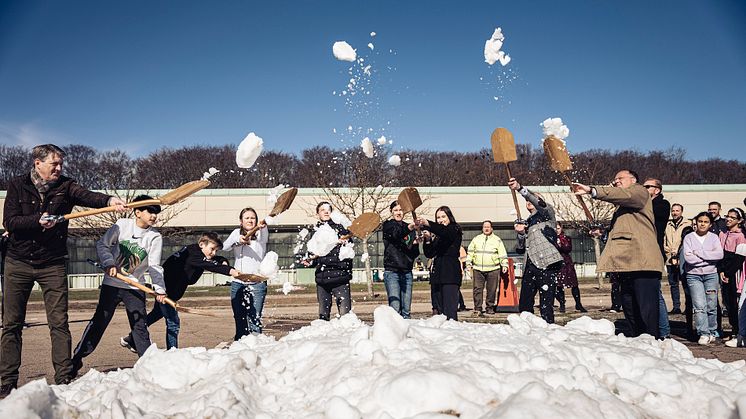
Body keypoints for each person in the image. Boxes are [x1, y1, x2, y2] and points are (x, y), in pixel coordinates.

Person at [0, 144, 126, 398]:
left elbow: (88, 196)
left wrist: (109, 200)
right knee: (11, 324)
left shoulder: (66, 186)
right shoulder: (17, 184)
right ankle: (7, 381)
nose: (59, 168)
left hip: (53, 263)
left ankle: (64, 376)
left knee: (59, 323)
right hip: (19, 262)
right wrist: (37, 220)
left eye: (60, 164)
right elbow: (10, 221)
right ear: (38, 163)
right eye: (54, 164)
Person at [71, 196, 166, 375]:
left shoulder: (155, 236)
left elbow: (154, 266)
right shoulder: (122, 225)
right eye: (150, 211)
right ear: (137, 212)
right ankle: (75, 361)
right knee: (99, 322)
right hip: (112, 284)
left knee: (140, 326)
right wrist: (109, 263)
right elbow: (102, 245)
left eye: (156, 212)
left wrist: (159, 290)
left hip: (135, 287)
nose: (154, 216)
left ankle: (147, 367)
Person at [574, 170, 664, 338]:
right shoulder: (621, 208)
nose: (616, 182)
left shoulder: (639, 192)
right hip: (626, 264)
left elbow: (624, 195)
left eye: (620, 178)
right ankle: (638, 340)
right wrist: (603, 233)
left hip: (643, 263)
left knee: (647, 310)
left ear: (633, 180)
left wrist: (591, 190)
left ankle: (653, 341)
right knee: (630, 308)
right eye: (614, 179)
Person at [120, 232, 242, 351]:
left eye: (216, 250)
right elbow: (209, 265)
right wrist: (230, 270)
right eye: (212, 249)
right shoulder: (194, 255)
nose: (214, 253)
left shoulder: (194, 251)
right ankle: (172, 352)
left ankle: (130, 338)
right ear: (201, 244)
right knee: (173, 323)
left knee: (156, 314)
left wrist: (222, 259)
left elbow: (210, 260)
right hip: (167, 291)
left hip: (169, 288)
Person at [509, 178, 563, 324]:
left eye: (532, 198)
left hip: (547, 263)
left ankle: (549, 328)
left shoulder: (548, 215)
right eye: (527, 200)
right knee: (525, 302)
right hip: (530, 264)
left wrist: (520, 189)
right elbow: (520, 248)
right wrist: (520, 233)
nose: (529, 201)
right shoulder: (526, 221)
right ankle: (526, 328)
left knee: (546, 304)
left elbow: (540, 204)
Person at [224, 208, 270, 338]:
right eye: (247, 218)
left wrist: (262, 226)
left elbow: (264, 230)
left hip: (257, 283)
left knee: (254, 318)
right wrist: (238, 240)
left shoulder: (261, 232)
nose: (250, 220)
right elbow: (224, 247)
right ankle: (240, 346)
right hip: (238, 283)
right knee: (239, 318)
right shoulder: (235, 233)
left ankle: (256, 347)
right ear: (241, 221)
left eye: (253, 218)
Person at [302, 202, 353, 320]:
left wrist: (345, 243)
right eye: (322, 210)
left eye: (328, 210)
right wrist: (310, 261)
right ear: (318, 214)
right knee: (323, 316)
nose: (326, 212)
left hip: (340, 277)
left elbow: (349, 251)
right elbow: (314, 253)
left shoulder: (341, 228)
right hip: (322, 279)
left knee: (346, 317)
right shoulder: (316, 232)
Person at [682, 212, 723, 345]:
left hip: (711, 275)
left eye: (706, 222)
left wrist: (699, 253)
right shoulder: (689, 237)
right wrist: (709, 259)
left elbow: (719, 255)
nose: (702, 224)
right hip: (693, 276)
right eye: (700, 221)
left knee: (711, 305)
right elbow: (689, 258)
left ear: (710, 224)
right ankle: (703, 333)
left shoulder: (714, 237)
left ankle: (712, 331)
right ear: (696, 222)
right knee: (699, 305)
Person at [417, 206, 463, 321]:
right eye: (438, 217)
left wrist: (427, 223)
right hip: (437, 274)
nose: (440, 219)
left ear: (449, 217)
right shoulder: (438, 235)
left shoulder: (454, 229)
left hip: (450, 274)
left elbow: (445, 232)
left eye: (443, 216)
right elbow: (430, 253)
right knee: (439, 311)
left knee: (449, 311)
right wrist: (427, 240)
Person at [643, 177, 671, 338]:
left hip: (654, 252)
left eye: (648, 186)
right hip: (643, 251)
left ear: (657, 190)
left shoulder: (662, 204)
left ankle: (664, 332)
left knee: (655, 293)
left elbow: (650, 214)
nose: (644, 189)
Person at [382, 201, 419, 319]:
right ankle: (394, 335)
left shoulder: (410, 229)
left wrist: (415, 244)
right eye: (396, 210)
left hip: (407, 271)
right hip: (392, 271)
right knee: (395, 309)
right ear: (391, 212)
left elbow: (414, 254)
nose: (398, 212)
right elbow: (396, 234)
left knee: (406, 310)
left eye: (401, 210)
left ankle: (406, 336)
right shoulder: (388, 225)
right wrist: (410, 227)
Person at [466, 220, 508, 316]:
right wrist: (468, 263)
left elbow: (502, 254)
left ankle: (490, 307)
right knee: (477, 289)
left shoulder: (497, 240)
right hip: (478, 269)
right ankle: (478, 308)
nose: (486, 228)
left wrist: (504, 264)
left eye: (488, 226)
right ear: (482, 228)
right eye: (485, 226)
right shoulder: (476, 239)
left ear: (492, 228)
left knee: (492, 290)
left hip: (493, 269)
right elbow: (470, 252)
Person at [718, 208, 746, 340]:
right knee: (727, 302)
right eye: (727, 216)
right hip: (723, 270)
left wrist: (728, 273)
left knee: (735, 302)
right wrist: (721, 270)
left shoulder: (740, 236)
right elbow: (719, 254)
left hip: (734, 273)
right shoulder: (723, 233)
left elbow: (739, 259)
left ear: (739, 220)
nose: (728, 219)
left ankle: (737, 330)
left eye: (732, 217)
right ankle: (732, 328)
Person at [664, 204, 691, 314]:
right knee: (673, 283)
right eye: (673, 211)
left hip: (683, 257)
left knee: (686, 283)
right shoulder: (668, 224)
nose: (675, 213)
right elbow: (663, 240)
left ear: (682, 212)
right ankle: (676, 306)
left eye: (677, 211)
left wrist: (679, 252)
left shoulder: (688, 224)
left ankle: (689, 306)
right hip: (670, 258)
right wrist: (669, 250)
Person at [555, 222, 586, 313]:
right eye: (555, 228)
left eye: (558, 228)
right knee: (559, 285)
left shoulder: (566, 238)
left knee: (574, 284)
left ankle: (578, 304)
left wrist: (560, 244)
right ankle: (562, 304)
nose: (556, 230)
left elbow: (568, 248)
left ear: (561, 228)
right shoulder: (551, 238)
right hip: (556, 262)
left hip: (566, 262)